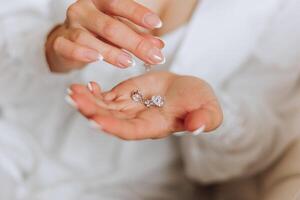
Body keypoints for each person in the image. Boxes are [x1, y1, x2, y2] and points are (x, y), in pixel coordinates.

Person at [0, 0, 299, 199]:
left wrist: (211, 113)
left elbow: (260, 144)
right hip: (10, 140)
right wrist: (50, 47)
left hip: (138, 188)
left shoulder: (279, 10)